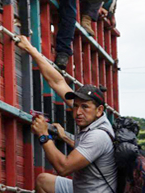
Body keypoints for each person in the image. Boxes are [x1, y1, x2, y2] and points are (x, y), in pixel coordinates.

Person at [16, 36, 117, 193]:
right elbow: (58, 82)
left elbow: (63, 168)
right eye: (75, 106)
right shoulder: (91, 117)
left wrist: (43, 135)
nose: (77, 112)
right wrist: (31, 50)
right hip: (81, 188)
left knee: (52, 175)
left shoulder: (98, 136)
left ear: (99, 110)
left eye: (84, 107)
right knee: (44, 181)